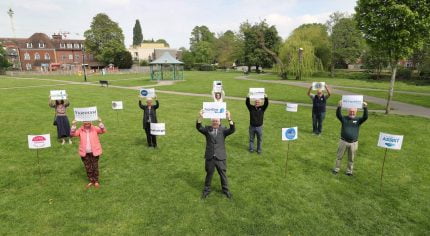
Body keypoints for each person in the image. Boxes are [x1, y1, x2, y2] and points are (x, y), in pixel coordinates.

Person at [196, 110, 235, 199]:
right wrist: (200, 117)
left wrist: (229, 118)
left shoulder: (223, 130)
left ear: (220, 121)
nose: (215, 122)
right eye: (213, 121)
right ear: (211, 121)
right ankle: (206, 190)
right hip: (210, 157)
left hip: (220, 157)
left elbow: (232, 129)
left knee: (223, 174)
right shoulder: (207, 129)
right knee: (209, 174)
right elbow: (199, 128)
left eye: (216, 121)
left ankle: (226, 191)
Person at [333, 101, 368, 176]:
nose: (352, 113)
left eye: (353, 112)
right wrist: (339, 106)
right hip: (343, 141)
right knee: (339, 157)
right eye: (350, 111)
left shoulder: (358, 120)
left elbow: (365, 117)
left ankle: (349, 171)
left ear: (356, 112)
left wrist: (365, 108)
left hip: (354, 143)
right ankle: (336, 169)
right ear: (348, 111)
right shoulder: (344, 119)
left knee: (351, 158)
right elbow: (338, 115)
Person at [71, 118, 106, 188]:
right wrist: (74, 125)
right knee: (88, 167)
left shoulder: (95, 128)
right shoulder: (80, 129)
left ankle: (96, 181)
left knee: (95, 166)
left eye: (88, 121)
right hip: (84, 152)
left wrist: (100, 123)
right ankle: (91, 180)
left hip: (94, 151)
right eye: (85, 121)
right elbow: (72, 134)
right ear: (82, 122)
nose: (87, 122)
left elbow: (103, 131)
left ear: (91, 121)